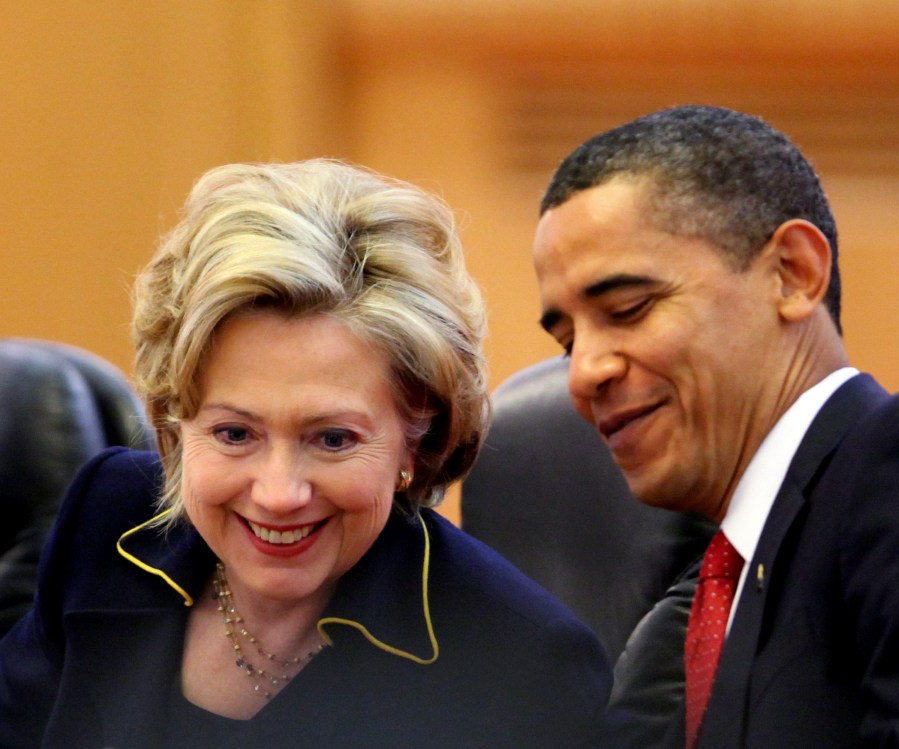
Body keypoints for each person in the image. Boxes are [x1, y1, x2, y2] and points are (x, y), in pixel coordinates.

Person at [0, 159, 622, 748]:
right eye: (235, 434)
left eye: (333, 439)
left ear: (419, 439)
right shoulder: (109, 518)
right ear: (174, 419)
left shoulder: (522, 667)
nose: (278, 492)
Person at [531, 105, 899, 748]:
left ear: (794, 274)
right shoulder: (705, 599)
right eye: (565, 342)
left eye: (627, 309)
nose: (583, 373)